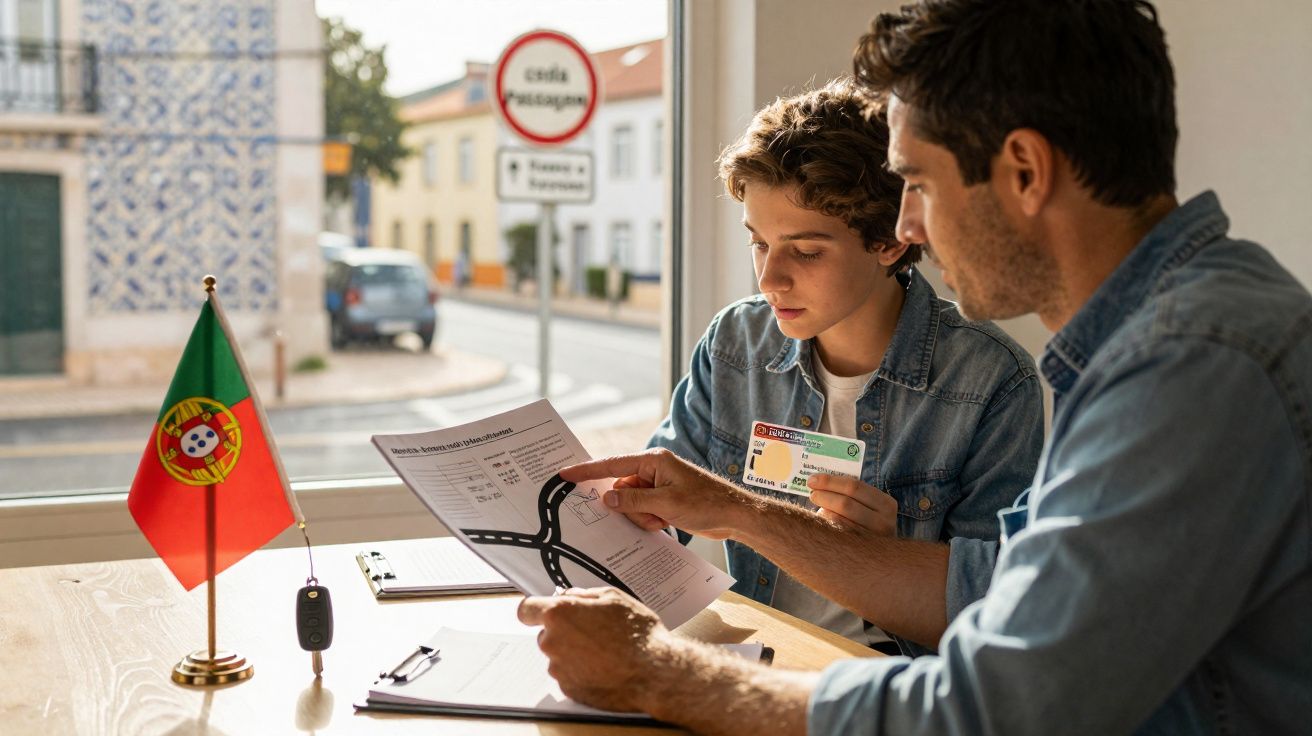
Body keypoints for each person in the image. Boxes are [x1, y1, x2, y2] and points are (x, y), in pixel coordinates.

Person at [518, 1, 1312, 734]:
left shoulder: (1190, 365)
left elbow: (996, 707)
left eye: (920, 184)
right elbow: (987, 592)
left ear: (1026, 172)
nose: (906, 228)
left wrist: (660, 674)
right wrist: (745, 513)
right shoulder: (1158, 337)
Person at [641, 78, 1042, 654]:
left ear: (890, 242)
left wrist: (886, 553)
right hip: (762, 661)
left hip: (894, 683)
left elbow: (996, 617)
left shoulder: (991, 380)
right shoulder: (735, 343)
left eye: (806, 252)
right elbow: (654, 519)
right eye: (759, 243)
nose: (769, 279)